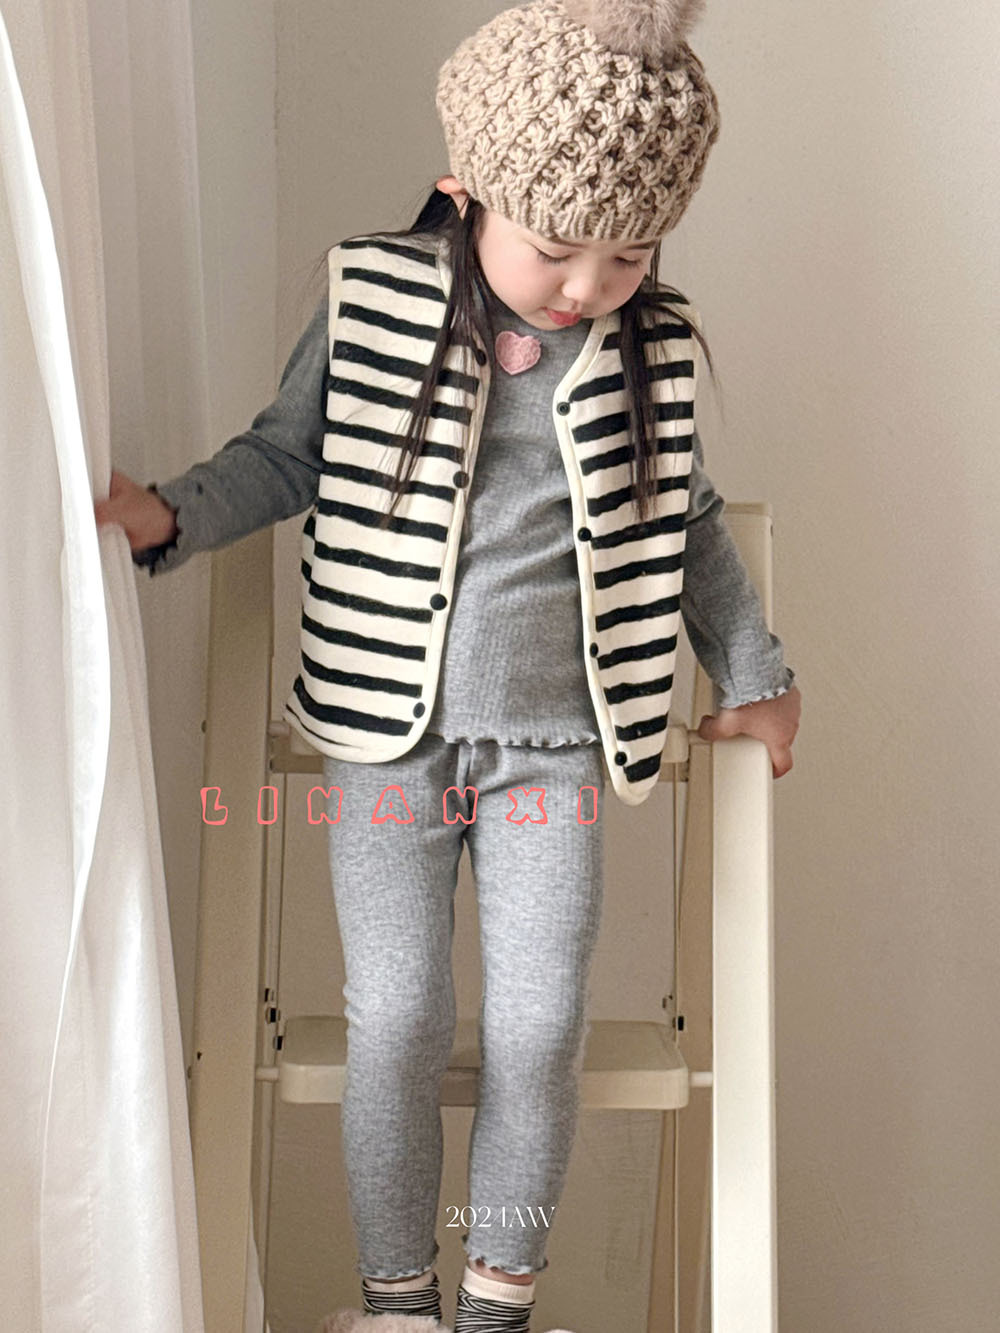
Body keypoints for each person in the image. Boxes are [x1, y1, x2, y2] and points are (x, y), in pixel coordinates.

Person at [95, 1, 801, 1329]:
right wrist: (171, 513)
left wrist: (755, 671)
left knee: (539, 1026)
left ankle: (496, 1299)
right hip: (386, 742)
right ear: (465, 189)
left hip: (555, 749)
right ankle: (396, 1298)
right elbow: (284, 456)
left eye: (628, 255)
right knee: (399, 1018)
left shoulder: (650, 348)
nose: (585, 288)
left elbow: (691, 525)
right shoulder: (374, 299)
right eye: (556, 250)